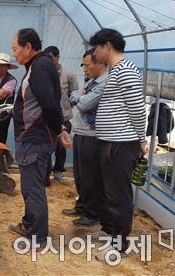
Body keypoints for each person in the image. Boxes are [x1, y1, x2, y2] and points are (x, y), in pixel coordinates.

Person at [88, 28, 147, 262]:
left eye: (97, 47)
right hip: (110, 141)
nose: (95, 53)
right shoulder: (116, 71)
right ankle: (110, 231)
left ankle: (119, 245)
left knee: (118, 195)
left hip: (120, 143)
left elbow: (137, 108)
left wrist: (141, 139)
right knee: (108, 191)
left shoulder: (126, 71)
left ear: (108, 45)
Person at [8, 28, 71, 249]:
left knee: (33, 188)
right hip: (34, 137)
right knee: (29, 186)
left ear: (28, 47)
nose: (14, 54)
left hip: (34, 138)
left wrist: (59, 129)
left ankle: (38, 237)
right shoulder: (40, 66)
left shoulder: (39, 68)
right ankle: (30, 224)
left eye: (15, 49)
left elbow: (50, 105)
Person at [61, 49, 108, 227]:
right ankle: (81, 206)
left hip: (92, 135)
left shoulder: (105, 83)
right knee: (79, 174)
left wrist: (82, 98)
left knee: (90, 177)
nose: (84, 69)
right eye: (83, 65)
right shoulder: (92, 82)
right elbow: (74, 98)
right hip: (81, 132)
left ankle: (91, 213)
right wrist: (81, 97)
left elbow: (85, 103)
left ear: (100, 63)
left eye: (87, 65)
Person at [44, 46, 79, 183]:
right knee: (47, 147)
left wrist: (65, 108)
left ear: (57, 57)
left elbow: (74, 95)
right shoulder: (44, 73)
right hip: (48, 118)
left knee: (61, 147)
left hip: (63, 117)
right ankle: (46, 174)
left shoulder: (68, 75)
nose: (48, 61)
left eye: (51, 58)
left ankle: (58, 170)